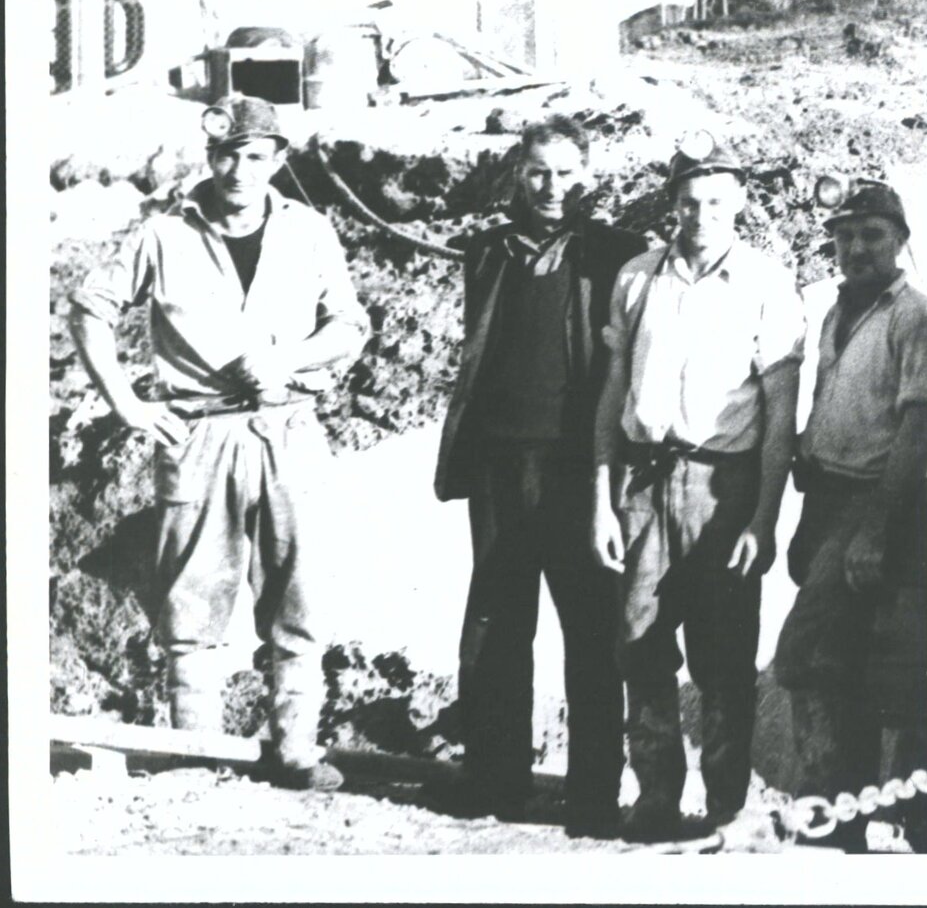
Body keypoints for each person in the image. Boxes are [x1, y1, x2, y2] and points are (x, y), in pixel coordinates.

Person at [68, 94, 369, 790]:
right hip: (197, 433)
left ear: (277, 160)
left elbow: (349, 326)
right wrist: (128, 406)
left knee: (299, 597)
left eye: (255, 156)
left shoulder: (310, 231)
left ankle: (295, 749)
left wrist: (288, 360)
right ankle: (196, 753)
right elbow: (91, 310)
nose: (238, 169)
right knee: (191, 603)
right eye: (226, 154)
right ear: (210, 157)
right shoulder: (163, 235)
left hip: (288, 426)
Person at [429, 115, 647, 837]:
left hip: (578, 468)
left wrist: (608, 475)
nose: (552, 187)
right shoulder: (488, 252)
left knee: (588, 629)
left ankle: (590, 793)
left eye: (564, 171)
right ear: (517, 174)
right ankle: (494, 779)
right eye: (537, 172)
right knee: (495, 622)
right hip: (498, 463)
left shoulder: (615, 252)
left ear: (586, 171)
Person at [591, 134, 805, 843]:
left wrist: (762, 520)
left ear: (740, 201)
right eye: (688, 200)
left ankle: (724, 806)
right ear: (671, 203)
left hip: (724, 486)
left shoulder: (768, 283)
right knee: (638, 642)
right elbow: (611, 394)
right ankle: (655, 796)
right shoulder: (636, 277)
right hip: (644, 481)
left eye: (716, 199)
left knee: (722, 654)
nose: (701, 213)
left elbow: (780, 418)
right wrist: (603, 498)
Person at [769, 181, 927, 852]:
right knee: (838, 666)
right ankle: (836, 825)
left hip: (870, 503)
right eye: (845, 236)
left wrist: (876, 527)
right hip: (822, 501)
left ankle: (818, 812)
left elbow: (920, 425)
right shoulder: (835, 312)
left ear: (900, 241)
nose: (856, 248)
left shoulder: (917, 317)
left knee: (806, 656)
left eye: (871, 235)